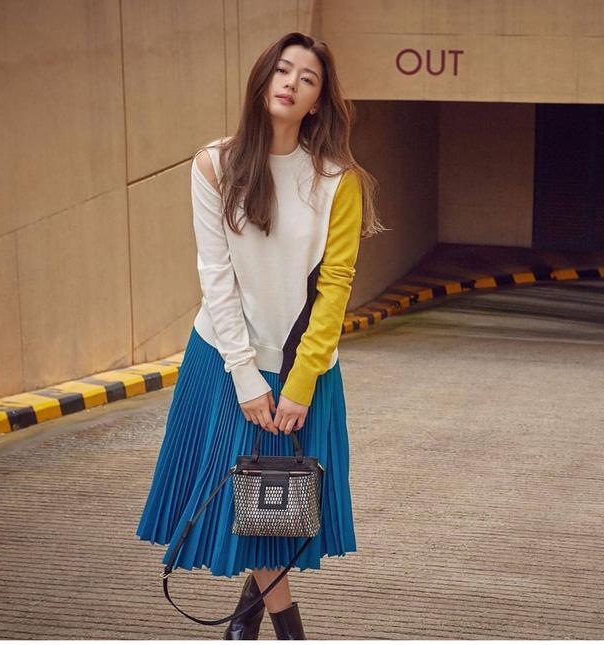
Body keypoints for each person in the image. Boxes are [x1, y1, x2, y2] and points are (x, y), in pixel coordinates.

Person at [136, 31, 383, 640]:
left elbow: (335, 287)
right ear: (263, 78)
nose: (291, 83)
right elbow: (216, 276)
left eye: (308, 78)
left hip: (303, 367)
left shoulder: (337, 181)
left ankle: (244, 625)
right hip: (223, 360)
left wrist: (299, 384)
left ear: (318, 103)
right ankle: (280, 633)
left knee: (275, 508)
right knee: (257, 507)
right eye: (283, 69)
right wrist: (246, 377)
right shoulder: (213, 165)